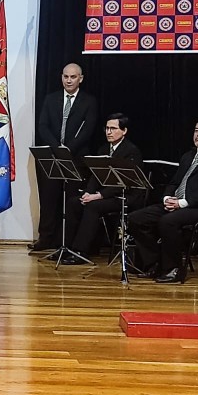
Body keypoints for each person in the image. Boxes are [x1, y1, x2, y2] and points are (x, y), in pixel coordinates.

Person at [127, 116, 198, 283]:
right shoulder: (188, 156)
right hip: (177, 202)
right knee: (136, 219)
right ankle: (154, 263)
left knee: (168, 221)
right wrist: (167, 198)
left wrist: (182, 203)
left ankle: (173, 269)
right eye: (197, 130)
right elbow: (174, 182)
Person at [30, 63, 98, 251]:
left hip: (76, 158)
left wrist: (68, 149)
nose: (69, 80)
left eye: (73, 77)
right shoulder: (51, 99)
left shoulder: (88, 101)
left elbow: (88, 129)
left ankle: (68, 241)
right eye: (66, 76)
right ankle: (46, 239)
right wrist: (57, 147)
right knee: (49, 199)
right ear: (61, 77)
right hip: (52, 157)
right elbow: (43, 125)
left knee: (71, 201)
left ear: (80, 79)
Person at [61, 113, 143, 265]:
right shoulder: (103, 149)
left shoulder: (131, 151)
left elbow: (124, 182)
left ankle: (80, 251)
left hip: (124, 196)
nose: (109, 132)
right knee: (74, 202)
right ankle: (69, 248)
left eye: (113, 128)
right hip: (105, 194)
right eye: (107, 128)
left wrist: (99, 196)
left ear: (124, 131)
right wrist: (88, 192)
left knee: (93, 206)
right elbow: (95, 176)